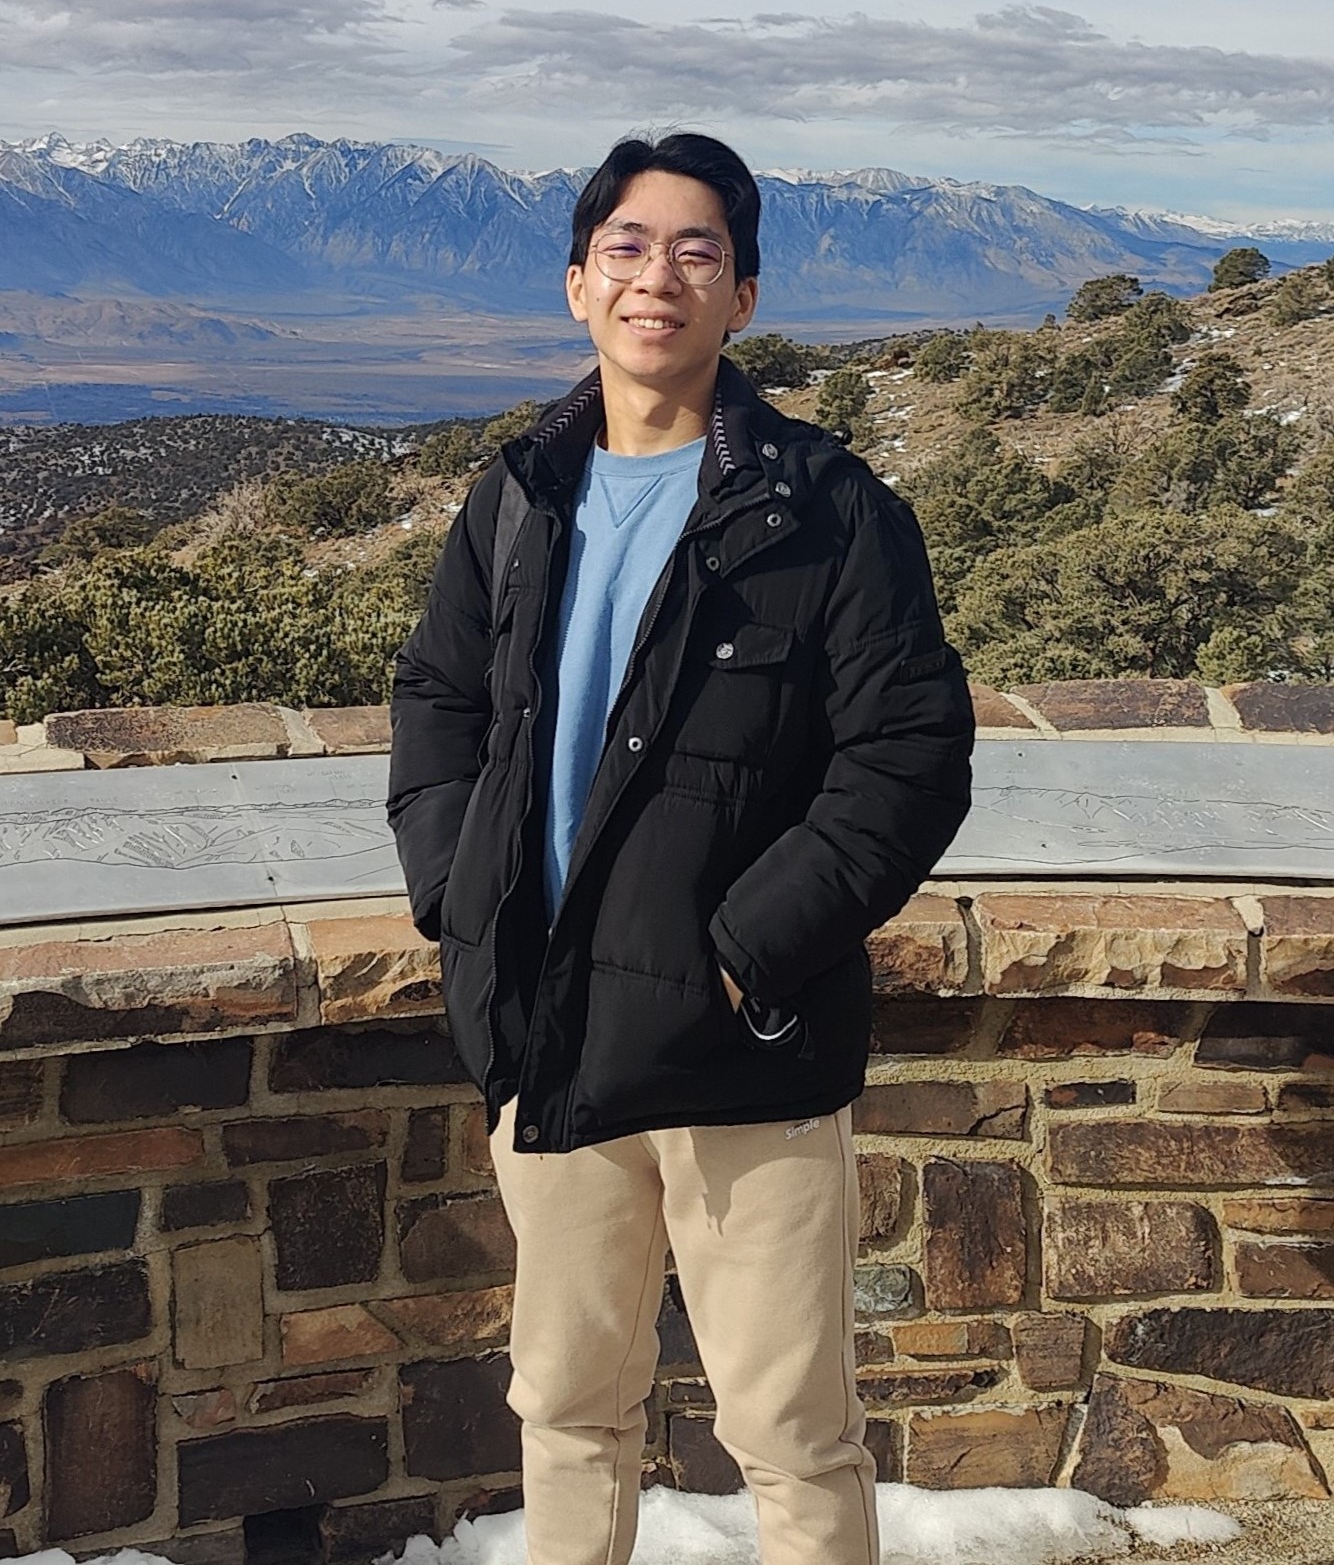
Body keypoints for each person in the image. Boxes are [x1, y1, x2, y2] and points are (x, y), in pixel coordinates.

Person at [388, 132, 974, 1565]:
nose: (659, 276)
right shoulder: (517, 492)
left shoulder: (828, 512)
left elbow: (906, 757)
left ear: (744, 299)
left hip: (745, 1049)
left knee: (789, 1430)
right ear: (578, 285)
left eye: (696, 250)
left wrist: (740, 952)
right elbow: (438, 704)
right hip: (552, 1024)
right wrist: (461, 898)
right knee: (569, 1405)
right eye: (630, 248)